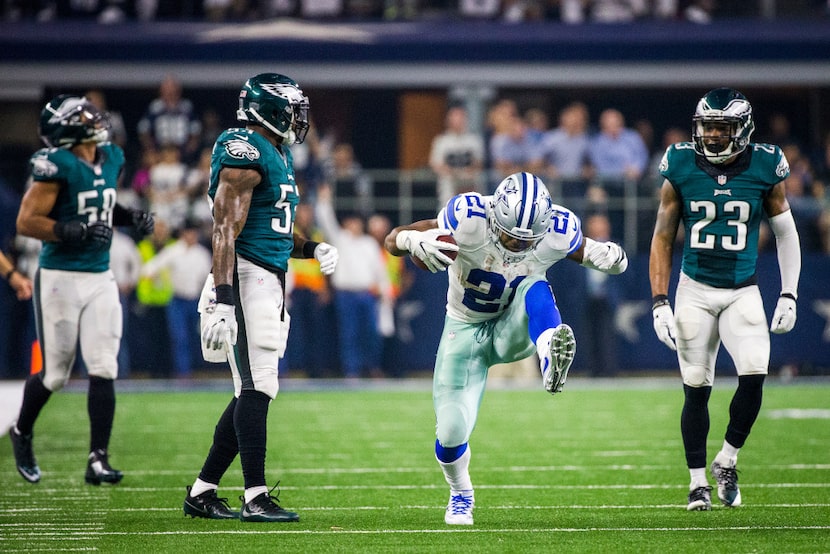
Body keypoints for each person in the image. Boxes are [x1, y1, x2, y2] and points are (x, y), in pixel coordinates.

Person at [384, 171, 628, 525]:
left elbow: (588, 250)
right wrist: (409, 241)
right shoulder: (468, 217)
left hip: (515, 324)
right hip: (464, 327)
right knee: (450, 432)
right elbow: (392, 240)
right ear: (494, 212)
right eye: (510, 236)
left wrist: (610, 256)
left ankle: (549, 354)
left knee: (534, 284)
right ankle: (460, 492)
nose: (515, 246)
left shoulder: (557, 230)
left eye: (525, 240)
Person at [184, 73, 338, 523]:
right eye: (292, 109)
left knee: (250, 390)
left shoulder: (276, 153)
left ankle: (202, 491)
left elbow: (271, 229)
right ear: (267, 108)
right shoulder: (243, 149)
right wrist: (225, 299)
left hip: (267, 278)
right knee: (257, 386)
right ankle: (255, 496)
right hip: (243, 278)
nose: (298, 119)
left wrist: (311, 247)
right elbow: (225, 229)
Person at [649, 88, 801, 511]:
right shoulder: (679, 164)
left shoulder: (764, 165)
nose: (713, 135)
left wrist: (789, 292)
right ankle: (697, 483)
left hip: (742, 289)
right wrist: (660, 301)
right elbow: (662, 237)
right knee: (696, 387)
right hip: (694, 289)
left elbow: (787, 233)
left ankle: (727, 459)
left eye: (722, 127)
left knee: (755, 374)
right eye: (707, 127)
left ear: (743, 130)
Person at [9, 94, 154, 485]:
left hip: (100, 275)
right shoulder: (58, 164)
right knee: (56, 373)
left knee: (105, 364)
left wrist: (131, 217)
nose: (93, 118)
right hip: (60, 276)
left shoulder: (111, 158)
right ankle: (21, 430)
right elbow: (27, 221)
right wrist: (67, 231)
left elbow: (100, 205)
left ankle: (97, 458)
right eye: (82, 115)